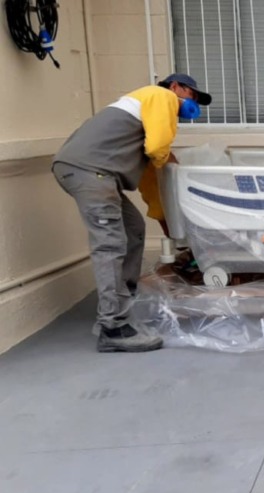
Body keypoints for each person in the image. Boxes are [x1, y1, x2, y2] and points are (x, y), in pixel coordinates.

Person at [52, 73, 211, 351]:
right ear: (175, 87)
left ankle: (123, 304)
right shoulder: (160, 96)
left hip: (93, 173)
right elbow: (159, 147)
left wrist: (175, 228)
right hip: (91, 172)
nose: (192, 103)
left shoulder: (141, 119)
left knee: (133, 229)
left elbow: (152, 186)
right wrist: (172, 162)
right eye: (192, 95)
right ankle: (114, 328)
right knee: (110, 244)